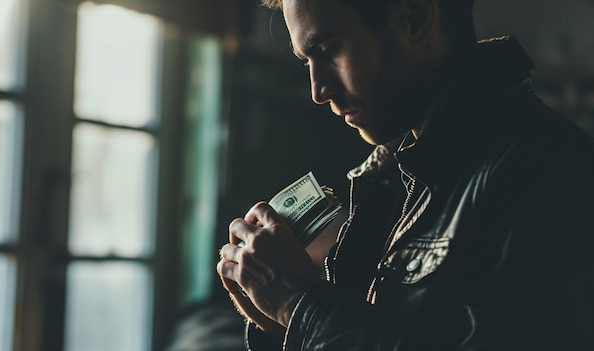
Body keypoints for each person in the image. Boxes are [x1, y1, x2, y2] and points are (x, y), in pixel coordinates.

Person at [217, 0, 594, 349]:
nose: (318, 90)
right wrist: (286, 322)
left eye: (330, 48)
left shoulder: (549, 170)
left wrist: (300, 305)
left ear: (415, 19)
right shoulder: (392, 179)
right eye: (306, 61)